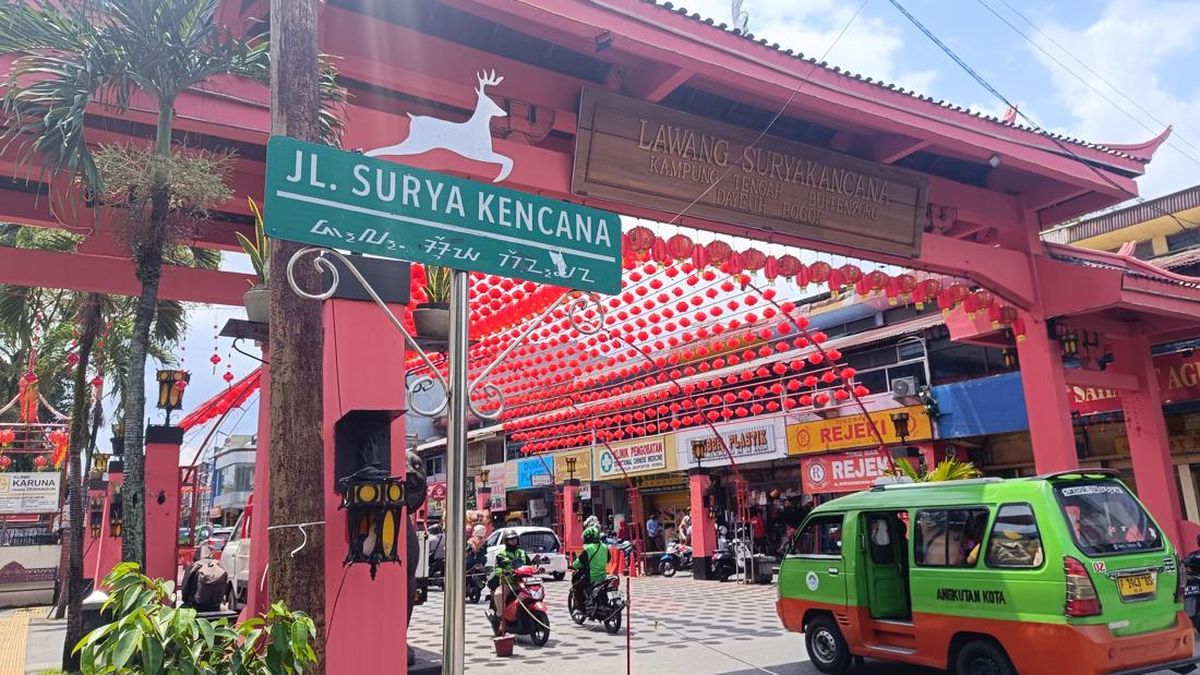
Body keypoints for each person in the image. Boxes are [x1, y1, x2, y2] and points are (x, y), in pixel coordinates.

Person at [490, 529, 530, 635]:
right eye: (510, 539)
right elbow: (497, 569)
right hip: (508, 583)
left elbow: (529, 565)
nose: (513, 541)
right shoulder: (501, 554)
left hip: (523, 582)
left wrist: (537, 569)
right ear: (506, 541)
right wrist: (503, 572)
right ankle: (502, 620)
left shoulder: (522, 553)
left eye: (514, 539)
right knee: (498, 594)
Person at [571, 526, 610, 612]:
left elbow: (578, 563)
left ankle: (581, 608)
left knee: (576, 586)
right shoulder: (604, 546)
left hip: (591, 577)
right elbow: (608, 559)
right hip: (603, 577)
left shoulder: (588, 549)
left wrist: (572, 565)